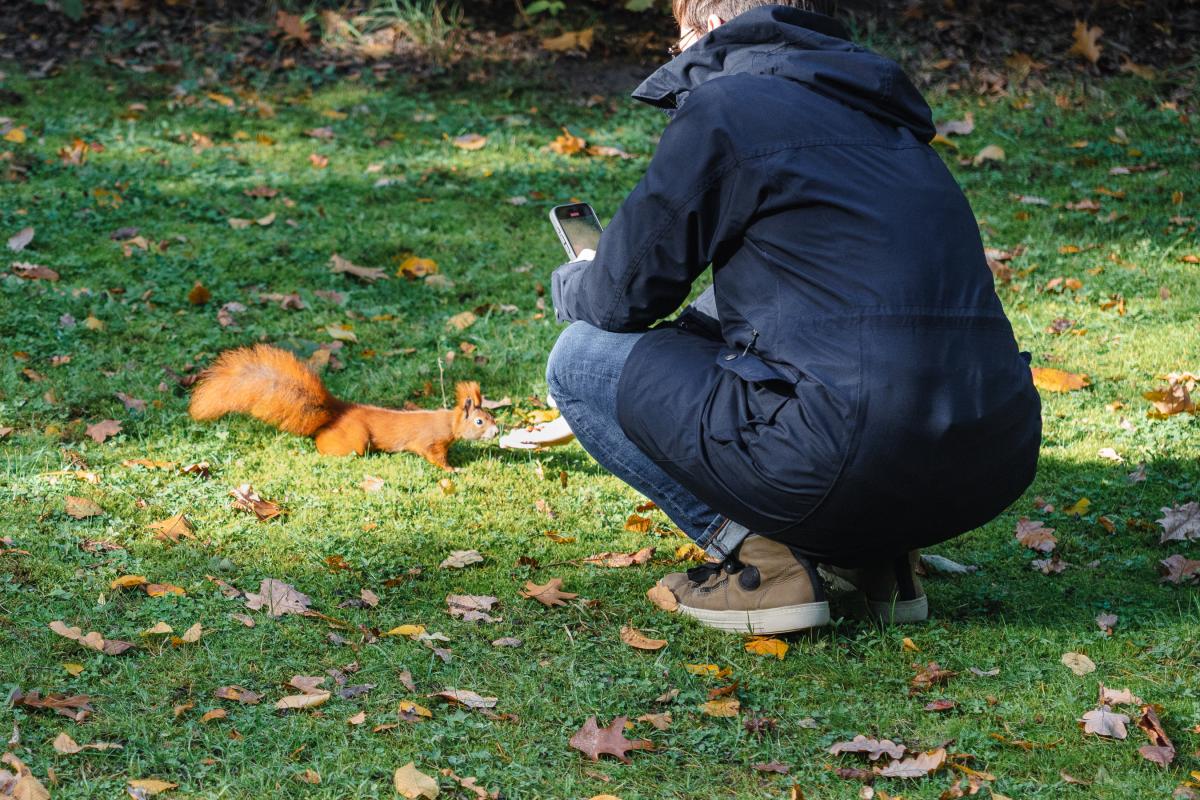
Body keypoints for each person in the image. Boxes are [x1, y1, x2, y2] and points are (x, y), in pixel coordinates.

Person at [540, 0, 1042, 635]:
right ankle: (875, 563)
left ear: (708, 28)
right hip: (992, 456)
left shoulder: (728, 107)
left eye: (679, 45)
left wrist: (579, 274)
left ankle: (763, 562)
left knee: (581, 360)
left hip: (845, 452)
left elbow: (620, 301)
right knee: (749, 318)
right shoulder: (891, 122)